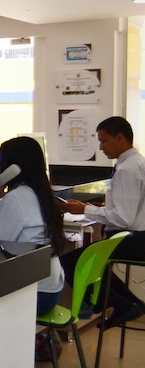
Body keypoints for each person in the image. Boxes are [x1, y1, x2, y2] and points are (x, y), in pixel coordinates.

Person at [61, 116, 145, 329]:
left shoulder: (127, 169)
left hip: (135, 241)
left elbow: (124, 219)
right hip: (135, 236)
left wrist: (84, 210)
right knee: (91, 260)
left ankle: (114, 303)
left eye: (104, 141)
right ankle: (127, 303)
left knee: (73, 261)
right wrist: (93, 209)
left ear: (120, 138)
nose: (101, 147)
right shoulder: (136, 162)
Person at [0, 136, 66, 315]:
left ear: (13, 169)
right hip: (50, 289)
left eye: (0, 162)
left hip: (35, 294)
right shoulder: (41, 193)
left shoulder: (15, 198)